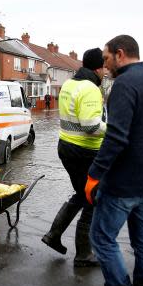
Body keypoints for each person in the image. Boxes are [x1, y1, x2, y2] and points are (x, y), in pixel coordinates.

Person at [85, 35, 143, 286]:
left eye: (107, 57)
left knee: (101, 237)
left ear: (120, 54)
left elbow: (115, 137)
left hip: (124, 184)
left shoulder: (124, 84)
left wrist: (94, 174)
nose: (105, 63)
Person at [41, 48, 106, 267]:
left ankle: (54, 235)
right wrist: (114, 128)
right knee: (92, 200)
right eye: (104, 68)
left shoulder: (70, 83)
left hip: (66, 147)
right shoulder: (90, 89)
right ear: (98, 68)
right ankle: (83, 255)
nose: (106, 72)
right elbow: (90, 126)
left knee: (82, 194)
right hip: (84, 151)